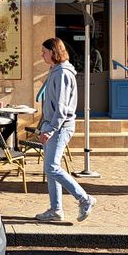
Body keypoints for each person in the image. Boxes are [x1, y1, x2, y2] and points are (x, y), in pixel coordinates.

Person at [35, 38, 96, 223]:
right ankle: (56, 210)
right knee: (51, 169)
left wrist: (50, 129)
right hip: (53, 125)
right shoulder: (56, 70)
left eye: (44, 52)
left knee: (52, 168)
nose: (42, 55)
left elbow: (61, 107)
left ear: (53, 52)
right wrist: (45, 126)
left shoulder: (62, 73)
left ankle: (84, 199)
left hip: (60, 127)